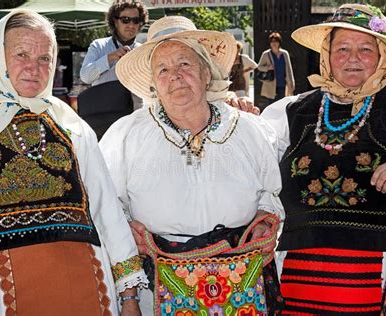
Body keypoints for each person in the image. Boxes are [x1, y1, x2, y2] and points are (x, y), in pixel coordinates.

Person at [0, 10, 148, 315]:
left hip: (83, 285)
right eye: (22, 54)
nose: (35, 67)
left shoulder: (69, 123)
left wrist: (130, 296)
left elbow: (105, 207)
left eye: (45, 58)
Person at [99, 16, 285, 315]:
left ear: (206, 72)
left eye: (184, 64)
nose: (174, 75)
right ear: (152, 83)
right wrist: (129, 298)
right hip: (156, 285)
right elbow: (109, 213)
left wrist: (265, 219)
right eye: (163, 69)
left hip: (242, 286)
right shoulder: (125, 136)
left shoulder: (251, 130)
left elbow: (271, 194)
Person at [261, 3, 386, 314]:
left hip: (383, 277)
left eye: (365, 48)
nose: (352, 58)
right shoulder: (291, 112)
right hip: (300, 276)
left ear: (382, 56)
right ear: (327, 54)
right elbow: (252, 168)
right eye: (342, 48)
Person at [80, 0, 148, 109]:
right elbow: (86, 77)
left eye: (136, 20)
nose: (131, 25)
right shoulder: (99, 45)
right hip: (104, 114)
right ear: (115, 21)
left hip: (135, 115)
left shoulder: (143, 51)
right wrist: (110, 57)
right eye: (125, 20)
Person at [257, 32, 295, 111]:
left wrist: (291, 82)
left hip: (282, 84)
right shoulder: (266, 54)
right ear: (270, 43)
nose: (274, 43)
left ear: (279, 42)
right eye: (272, 41)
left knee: (282, 105)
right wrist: (268, 68)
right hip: (271, 84)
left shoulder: (285, 53)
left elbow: (289, 69)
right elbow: (259, 67)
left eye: (276, 41)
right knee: (272, 106)